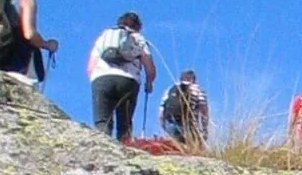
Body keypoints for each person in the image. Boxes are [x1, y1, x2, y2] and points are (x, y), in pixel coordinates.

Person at [86, 12, 156, 141]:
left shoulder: (105, 35)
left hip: (102, 78)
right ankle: (124, 150)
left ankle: (102, 150)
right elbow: (149, 67)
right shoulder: (138, 38)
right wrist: (149, 82)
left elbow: (91, 65)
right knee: (124, 123)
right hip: (128, 80)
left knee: (102, 121)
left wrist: (94, 79)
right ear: (138, 26)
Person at [160, 69, 211, 148]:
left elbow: (161, 110)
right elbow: (204, 111)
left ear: (181, 78)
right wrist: (204, 129)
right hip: (189, 124)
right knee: (192, 150)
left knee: (174, 149)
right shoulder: (198, 90)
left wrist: (163, 124)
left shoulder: (170, 89)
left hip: (170, 122)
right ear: (193, 79)